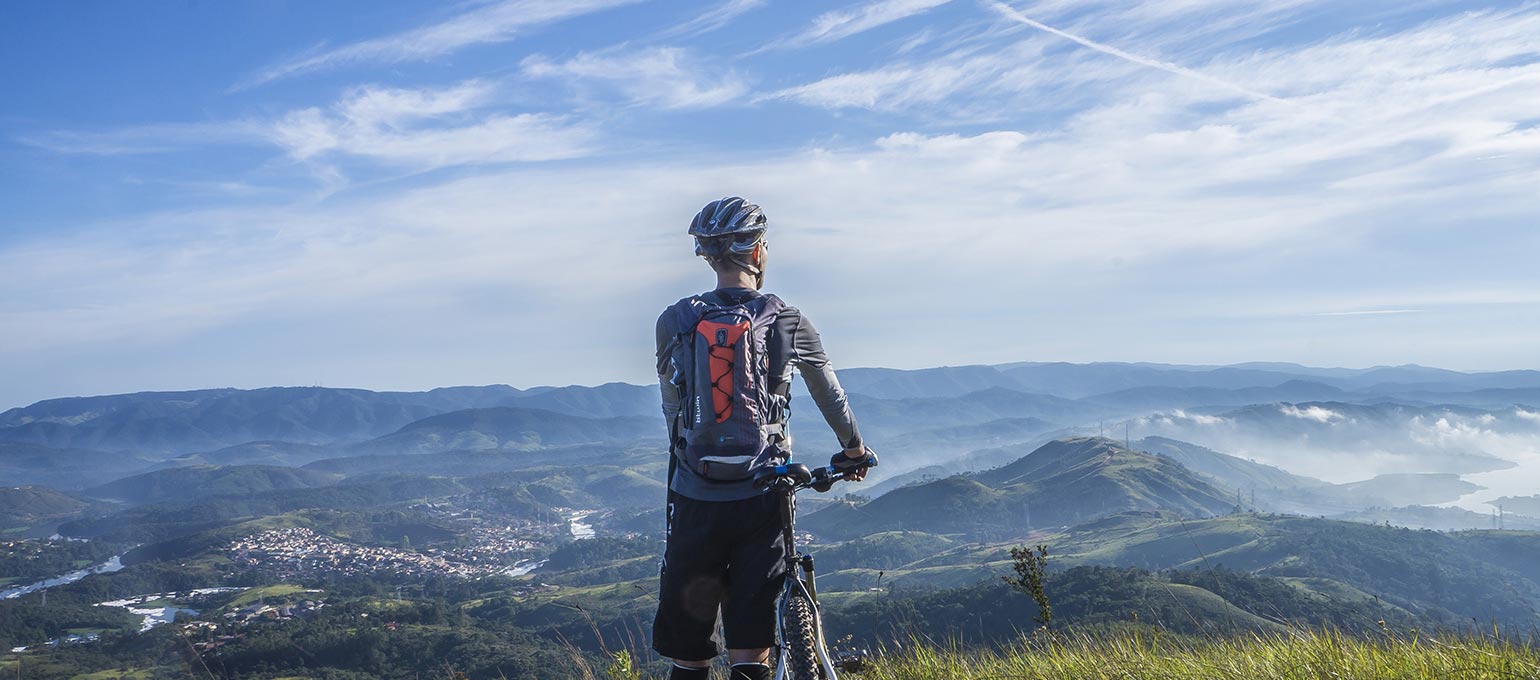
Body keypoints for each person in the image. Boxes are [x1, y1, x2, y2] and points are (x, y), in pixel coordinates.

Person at [652, 197, 873, 680]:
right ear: (756, 253)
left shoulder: (674, 321)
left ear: (709, 256)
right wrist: (854, 450)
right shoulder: (787, 319)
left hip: (694, 497)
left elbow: (672, 406)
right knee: (751, 648)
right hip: (763, 496)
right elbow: (830, 396)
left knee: (689, 652)